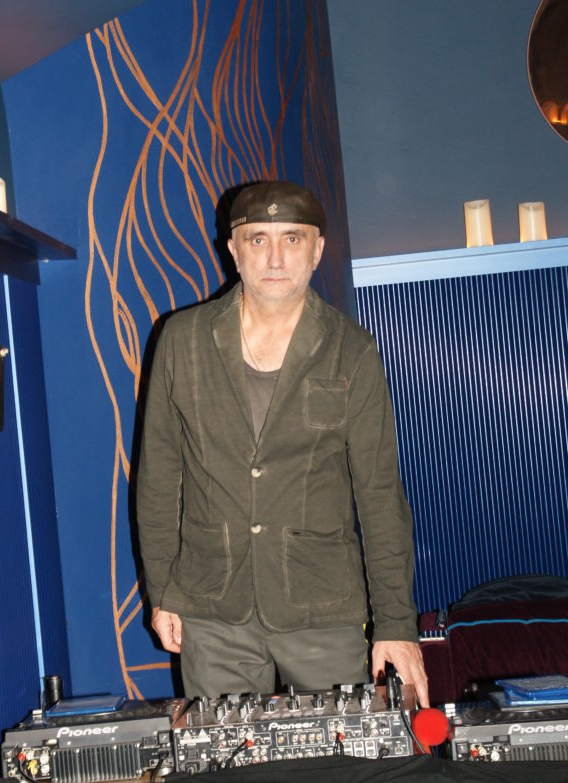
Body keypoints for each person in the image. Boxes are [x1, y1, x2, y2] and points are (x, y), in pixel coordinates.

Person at [136, 180, 429, 707]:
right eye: (258, 239)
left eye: (292, 239)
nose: (275, 257)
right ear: (234, 250)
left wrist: (396, 622)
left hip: (322, 606)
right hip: (211, 606)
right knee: (224, 759)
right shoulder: (181, 340)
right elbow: (158, 480)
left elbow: (380, 494)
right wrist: (163, 591)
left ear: (317, 250)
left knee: (341, 753)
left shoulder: (352, 349)